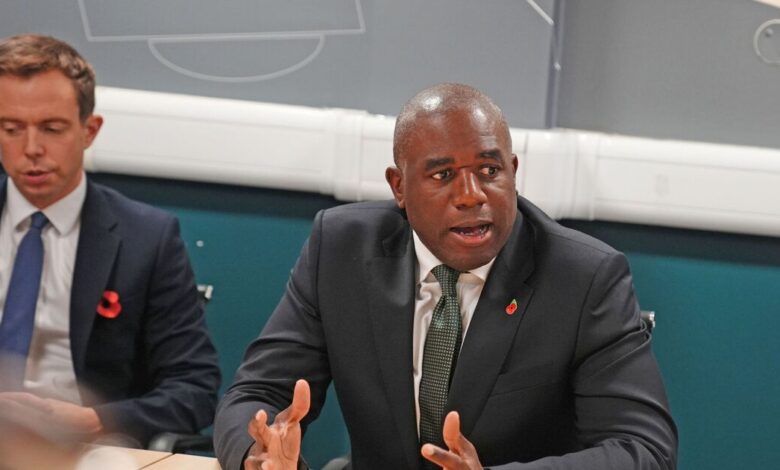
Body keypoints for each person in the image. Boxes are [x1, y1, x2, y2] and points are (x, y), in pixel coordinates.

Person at [214, 83, 677, 469]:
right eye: (443, 175)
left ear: (513, 173)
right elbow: (257, 392)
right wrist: (258, 454)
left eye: (489, 170)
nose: (471, 195)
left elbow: (644, 449)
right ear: (399, 186)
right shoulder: (340, 249)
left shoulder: (583, 277)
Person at [0, 34, 220, 447]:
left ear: (89, 130)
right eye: (11, 129)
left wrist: (96, 420)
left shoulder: (147, 239)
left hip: (81, 450)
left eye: (52, 129)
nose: (31, 149)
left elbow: (194, 389)